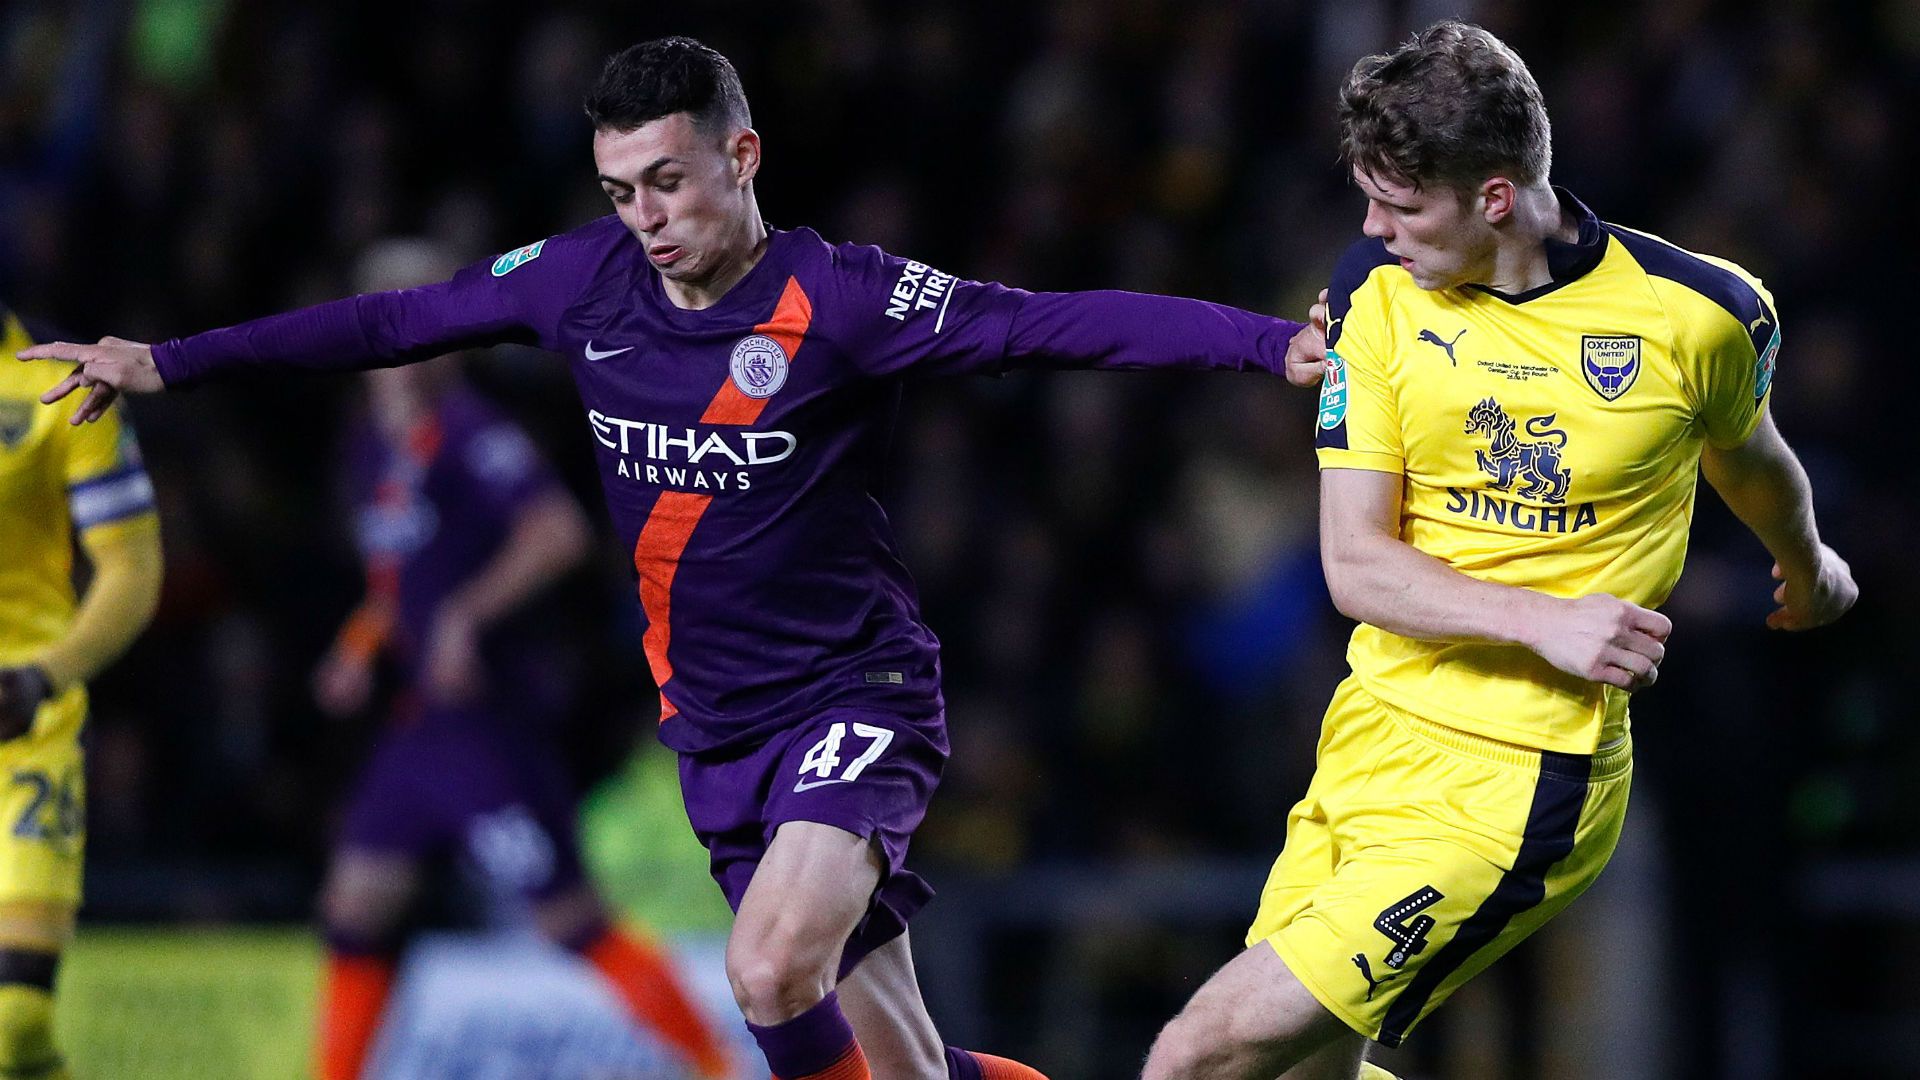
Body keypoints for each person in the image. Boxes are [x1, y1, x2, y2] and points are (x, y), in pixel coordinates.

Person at [21, 36, 1326, 1080]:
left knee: (766, 976)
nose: (645, 215)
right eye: (621, 190)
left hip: (854, 703)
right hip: (715, 734)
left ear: (742, 154)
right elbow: (393, 320)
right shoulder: (579, 283)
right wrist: (169, 361)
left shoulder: (845, 298)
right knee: (902, 1062)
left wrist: (1266, 346)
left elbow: (1057, 326)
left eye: (669, 181)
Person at [1141, 21, 1858, 1080]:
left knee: (1198, 1053)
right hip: (1370, 742)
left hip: (1523, 777)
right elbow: (1357, 565)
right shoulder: (1372, 291)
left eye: (1403, 205)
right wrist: (1546, 617)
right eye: (1368, 199)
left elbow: (1748, 456)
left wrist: (1807, 565)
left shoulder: (1701, 314)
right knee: (1289, 1072)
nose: (1375, 229)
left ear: (1494, 196)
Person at [307, 239, 735, 1080]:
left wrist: (468, 615)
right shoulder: (372, 446)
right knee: (355, 898)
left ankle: (715, 1065)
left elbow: (557, 533)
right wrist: (358, 648)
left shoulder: (473, 434)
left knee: (567, 919)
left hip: (487, 721)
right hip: (418, 723)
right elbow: (398, 580)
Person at [0, 304, 163, 1080]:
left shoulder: (53, 387)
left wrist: (44, 675)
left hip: (21, 728)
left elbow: (132, 568)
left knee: (15, 1020)